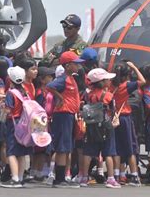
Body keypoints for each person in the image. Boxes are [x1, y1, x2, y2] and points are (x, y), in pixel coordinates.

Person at [47, 51, 85, 188]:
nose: (78, 66)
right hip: (63, 114)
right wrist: (60, 97)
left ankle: (61, 177)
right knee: (62, 147)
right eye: (75, 64)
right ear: (68, 65)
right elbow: (50, 86)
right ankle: (59, 179)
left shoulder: (71, 78)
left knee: (67, 146)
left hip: (69, 114)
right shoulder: (63, 79)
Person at [79, 68, 120, 189]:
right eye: (107, 79)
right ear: (102, 81)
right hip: (105, 126)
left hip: (91, 126)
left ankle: (84, 178)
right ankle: (111, 179)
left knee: (88, 152)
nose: (109, 81)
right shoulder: (108, 95)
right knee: (108, 152)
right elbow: (112, 109)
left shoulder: (88, 94)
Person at [110, 61, 145, 186]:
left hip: (115, 118)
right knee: (130, 148)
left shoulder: (111, 86)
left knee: (117, 148)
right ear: (127, 75)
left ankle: (118, 174)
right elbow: (143, 81)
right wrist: (135, 67)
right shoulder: (127, 85)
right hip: (125, 118)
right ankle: (134, 176)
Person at [0, 66, 33, 188]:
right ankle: (19, 177)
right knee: (22, 152)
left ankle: (14, 178)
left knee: (11, 152)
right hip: (25, 124)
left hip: (14, 124)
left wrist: (3, 107)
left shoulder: (11, 93)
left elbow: (8, 110)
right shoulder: (25, 92)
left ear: (10, 79)